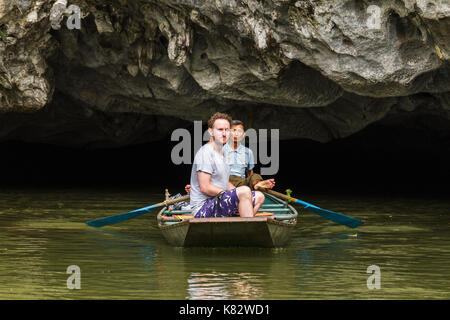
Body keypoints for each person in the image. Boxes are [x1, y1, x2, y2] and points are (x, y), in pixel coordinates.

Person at [185, 112, 270, 218]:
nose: (224, 133)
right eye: (220, 130)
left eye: (227, 130)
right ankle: (247, 226)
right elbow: (205, 187)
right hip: (203, 208)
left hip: (219, 201)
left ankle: (241, 220)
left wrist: (237, 193)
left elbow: (226, 182)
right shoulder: (205, 153)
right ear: (211, 132)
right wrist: (234, 194)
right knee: (244, 191)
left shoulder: (223, 153)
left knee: (259, 196)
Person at [223, 120, 275, 191]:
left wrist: (252, 182)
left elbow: (250, 172)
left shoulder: (248, 152)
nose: (236, 134)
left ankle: (257, 184)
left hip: (241, 182)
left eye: (239, 131)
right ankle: (257, 185)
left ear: (244, 134)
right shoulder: (220, 150)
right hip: (225, 181)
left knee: (255, 176)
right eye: (233, 130)